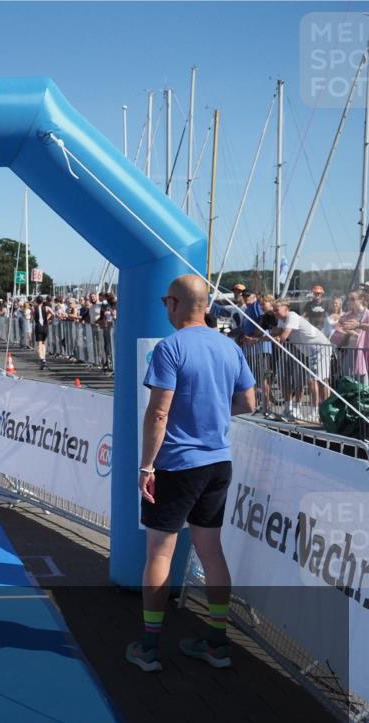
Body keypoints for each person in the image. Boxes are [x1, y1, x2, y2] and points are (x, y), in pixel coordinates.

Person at [127, 274, 255, 673]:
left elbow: (159, 412)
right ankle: (217, 643)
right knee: (211, 552)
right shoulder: (229, 347)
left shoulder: (171, 348)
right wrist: (212, 417)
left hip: (179, 464)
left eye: (167, 300)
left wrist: (147, 465)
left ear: (176, 304)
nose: (165, 307)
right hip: (218, 462)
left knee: (159, 553)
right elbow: (249, 402)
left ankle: (149, 647)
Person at [274, 299, 331, 421]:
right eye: (274, 310)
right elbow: (277, 332)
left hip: (320, 348)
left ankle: (317, 412)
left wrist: (278, 337)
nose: (275, 313)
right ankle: (323, 412)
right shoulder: (281, 319)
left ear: (286, 308)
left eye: (277, 310)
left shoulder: (292, 316)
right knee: (318, 380)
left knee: (316, 381)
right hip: (311, 352)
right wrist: (258, 339)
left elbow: (284, 336)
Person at [331, 291, 369, 386]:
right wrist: (344, 333)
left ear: (361, 300)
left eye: (352, 299)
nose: (349, 302)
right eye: (348, 299)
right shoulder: (347, 315)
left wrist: (356, 328)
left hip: (363, 354)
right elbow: (339, 330)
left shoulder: (367, 314)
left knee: (362, 383)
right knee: (347, 381)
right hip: (349, 352)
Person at [33, 295, 54, 370]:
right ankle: (44, 358)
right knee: (43, 343)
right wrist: (47, 318)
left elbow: (34, 317)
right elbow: (53, 313)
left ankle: (42, 359)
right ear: (43, 301)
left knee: (39, 344)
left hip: (38, 326)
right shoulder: (46, 307)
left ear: (36, 301)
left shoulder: (34, 308)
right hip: (45, 326)